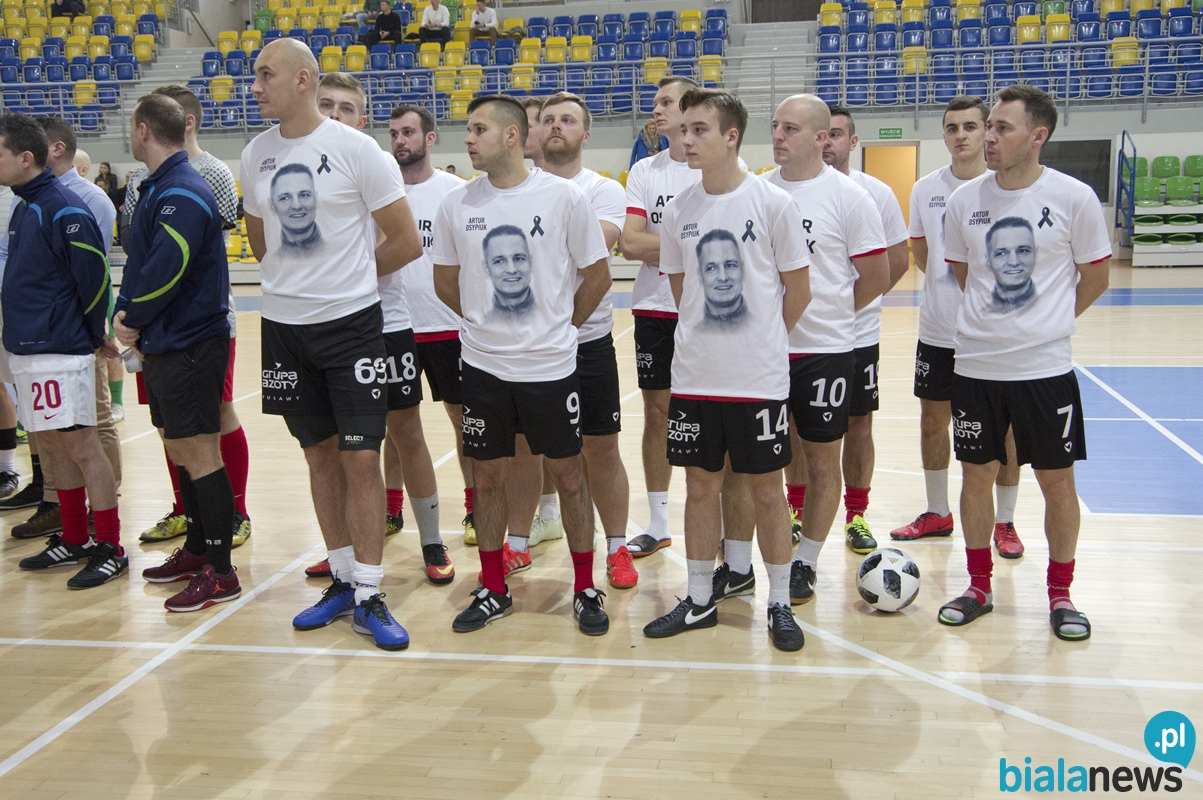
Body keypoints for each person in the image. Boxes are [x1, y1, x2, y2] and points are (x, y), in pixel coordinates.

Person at [241, 39, 423, 650]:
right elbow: (261, 243)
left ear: (303, 80)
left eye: (266, 75)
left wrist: (346, 281)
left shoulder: (359, 151)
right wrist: (302, 281)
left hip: (352, 328)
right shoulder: (256, 153)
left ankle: (370, 592)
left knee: (361, 458)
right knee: (318, 456)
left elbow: (405, 241)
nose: (255, 86)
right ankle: (343, 580)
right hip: (284, 331)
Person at [431, 95, 613, 635]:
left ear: (511, 136)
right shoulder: (456, 204)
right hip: (482, 367)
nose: (468, 139)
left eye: (478, 129)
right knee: (487, 476)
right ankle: (493, 588)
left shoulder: (563, 197)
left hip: (550, 368)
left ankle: (585, 587)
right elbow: (444, 280)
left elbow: (598, 276)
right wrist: (484, 324)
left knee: (569, 476)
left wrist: (560, 328)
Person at [641, 88, 812, 652]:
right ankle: (698, 600)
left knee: (767, 491)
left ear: (731, 136)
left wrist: (759, 341)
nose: (685, 138)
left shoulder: (772, 203)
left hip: (757, 380)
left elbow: (799, 292)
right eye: (683, 128)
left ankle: (780, 603)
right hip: (695, 378)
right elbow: (683, 292)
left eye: (699, 130)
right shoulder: (680, 211)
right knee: (700, 488)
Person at [937, 85, 1110, 642]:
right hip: (976, 368)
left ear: (1038, 136)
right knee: (975, 478)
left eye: (1002, 128)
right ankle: (978, 586)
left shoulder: (1074, 197)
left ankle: (1061, 593)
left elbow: (1096, 276)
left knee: (1057, 482)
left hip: (1044, 371)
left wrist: (1046, 321)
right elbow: (966, 274)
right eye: (988, 125)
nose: (988, 137)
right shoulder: (964, 201)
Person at [301, 74, 455, 588]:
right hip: (321, 325)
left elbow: (404, 244)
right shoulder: (300, 167)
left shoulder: (373, 163)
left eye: (346, 108)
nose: (335, 115)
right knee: (336, 446)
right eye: (327, 105)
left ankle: (431, 540)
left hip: (383, 321)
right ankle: (343, 551)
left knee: (406, 432)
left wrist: (346, 279)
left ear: (362, 119)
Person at [736, 95, 888, 607]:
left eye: (792, 128)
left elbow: (876, 276)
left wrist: (833, 314)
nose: (778, 136)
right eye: (776, 126)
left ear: (823, 138)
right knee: (763, 461)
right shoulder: (756, 191)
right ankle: (744, 563)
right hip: (766, 349)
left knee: (824, 462)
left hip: (825, 350)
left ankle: (807, 562)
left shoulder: (850, 198)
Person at [505, 92, 638, 590]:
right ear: (534, 131)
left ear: (586, 134)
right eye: (548, 119)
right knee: (524, 450)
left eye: (568, 120)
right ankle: (517, 544)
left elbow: (592, 248)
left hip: (587, 341)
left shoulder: (601, 190)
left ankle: (617, 547)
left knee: (601, 450)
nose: (556, 126)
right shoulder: (513, 188)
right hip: (527, 345)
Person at [113, 95, 240, 612]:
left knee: (200, 451)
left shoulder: (183, 190)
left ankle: (222, 571)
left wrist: (132, 317)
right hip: (165, 340)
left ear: (143, 130)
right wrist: (124, 312)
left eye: (131, 127)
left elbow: (170, 266)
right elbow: (140, 263)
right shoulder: (157, 187)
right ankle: (197, 548)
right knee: (179, 447)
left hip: (190, 340)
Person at [892, 96, 1025, 558]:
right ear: (944, 136)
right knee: (933, 423)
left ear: (986, 130)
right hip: (938, 329)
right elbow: (923, 252)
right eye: (952, 128)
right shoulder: (925, 188)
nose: (961, 135)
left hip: (993, 337)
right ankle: (937, 511)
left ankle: (1004, 521)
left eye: (971, 126)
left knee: (1004, 431)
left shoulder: (1005, 187)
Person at [1, 112, 125, 589]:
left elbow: (93, 280)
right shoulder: (25, 206)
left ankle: (109, 546)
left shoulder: (64, 208)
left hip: (60, 349)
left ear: (24, 157)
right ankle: (74, 537)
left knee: (82, 446)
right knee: (52, 447)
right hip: (29, 348)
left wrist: (93, 334)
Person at [621, 76, 742, 558]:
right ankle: (657, 521)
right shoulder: (644, 171)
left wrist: (674, 247)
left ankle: (726, 529)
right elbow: (630, 243)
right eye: (654, 102)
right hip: (654, 307)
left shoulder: (717, 168)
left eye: (667, 101)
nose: (657, 109)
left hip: (708, 311)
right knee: (657, 414)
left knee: (718, 417)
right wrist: (690, 245)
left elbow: (725, 244)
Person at [820, 105, 910, 553]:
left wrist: (850, 306)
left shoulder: (875, 193)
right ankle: (796, 510)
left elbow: (897, 262)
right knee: (798, 427)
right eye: (822, 134)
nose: (827, 142)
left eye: (836, 134)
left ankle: (856, 514)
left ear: (853, 142)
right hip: (801, 336)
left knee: (858, 424)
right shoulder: (780, 190)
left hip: (858, 333)